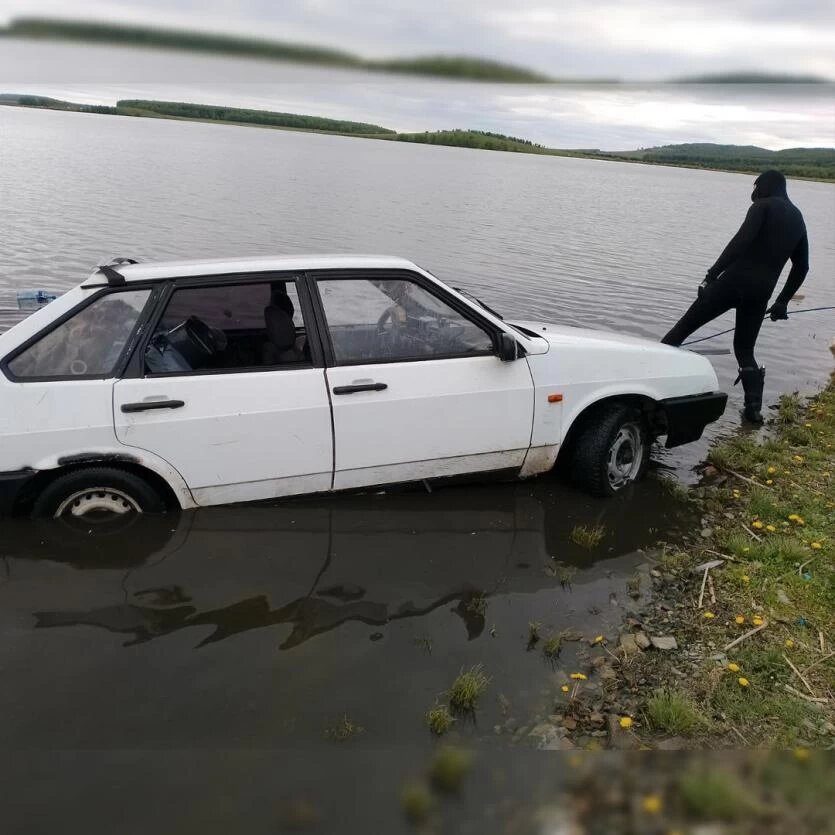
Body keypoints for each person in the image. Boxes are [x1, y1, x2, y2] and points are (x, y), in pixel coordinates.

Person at [661, 170, 809, 424]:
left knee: (683, 328)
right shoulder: (798, 218)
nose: (753, 193)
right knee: (744, 349)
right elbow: (802, 266)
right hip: (761, 293)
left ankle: (650, 382)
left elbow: (740, 242)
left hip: (733, 283)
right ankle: (753, 410)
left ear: (764, 186)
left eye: (755, 187)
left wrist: (711, 275)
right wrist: (782, 300)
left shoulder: (763, 206)